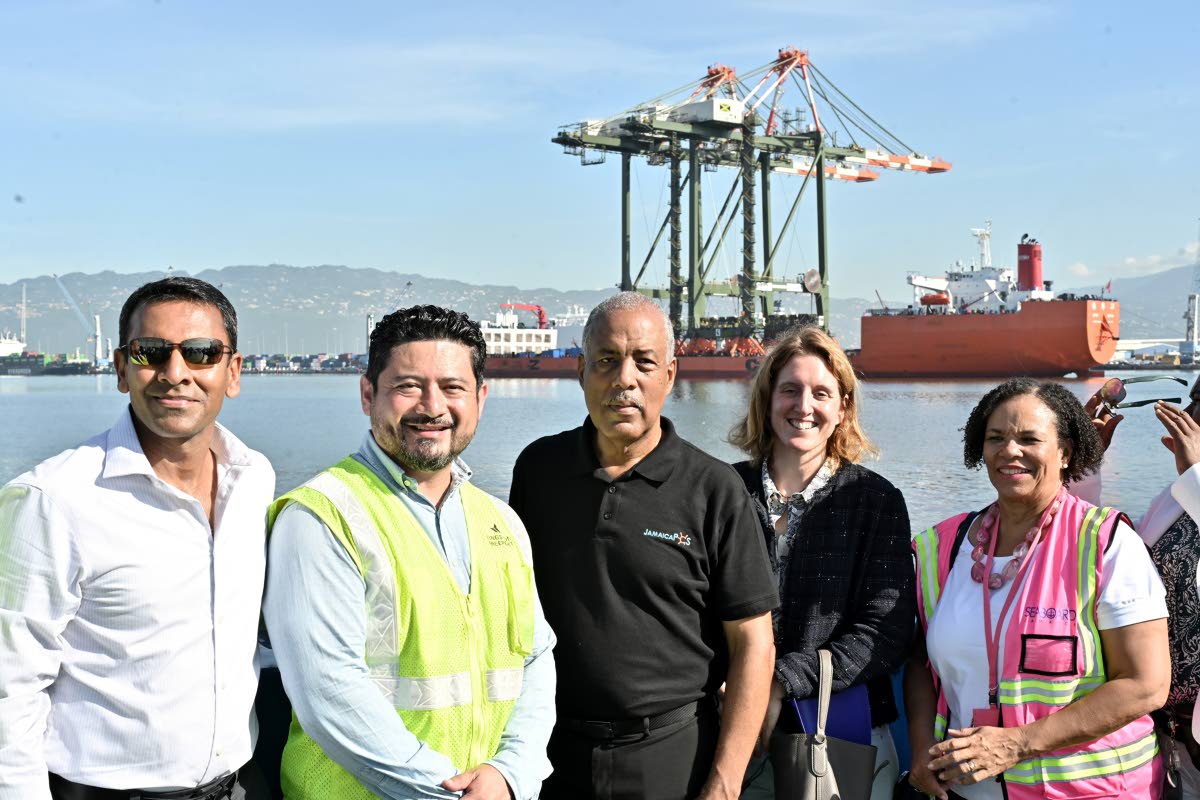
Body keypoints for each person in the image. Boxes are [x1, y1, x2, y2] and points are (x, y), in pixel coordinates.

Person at [263, 305, 555, 800]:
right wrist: (451, 794)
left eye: (452, 387)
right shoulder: (321, 517)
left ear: (481, 397)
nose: (431, 406)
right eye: (408, 386)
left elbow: (534, 660)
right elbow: (329, 694)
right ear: (367, 394)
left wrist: (511, 775)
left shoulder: (500, 523)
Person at [0, 277, 275, 800]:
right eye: (152, 352)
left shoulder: (254, 479)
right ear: (122, 369)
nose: (176, 375)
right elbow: (9, 687)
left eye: (200, 354)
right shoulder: (54, 499)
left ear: (233, 372)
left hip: (237, 787)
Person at [509, 292, 778, 800]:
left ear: (670, 375)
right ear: (582, 371)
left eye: (643, 362)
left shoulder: (715, 491)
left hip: (672, 757)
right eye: (607, 361)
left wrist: (723, 783)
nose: (624, 379)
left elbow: (754, 645)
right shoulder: (538, 471)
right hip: (549, 755)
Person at [905, 378, 1170, 800]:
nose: (1010, 451)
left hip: (1090, 791)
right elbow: (921, 658)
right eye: (996, 438)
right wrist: (920, 748)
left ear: (1065, 452)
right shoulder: (941, 544)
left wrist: (1016, 743)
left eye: (1029, 439)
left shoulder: (1105, 543)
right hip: (963, 792)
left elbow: (1146, 684)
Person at [728, 326, 914, 800]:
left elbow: (884, 633)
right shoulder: (724, 492)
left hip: (839, 738)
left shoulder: (875, 501)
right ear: (768, 399)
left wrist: (779, 683)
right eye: (789, 390)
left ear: (844, 407)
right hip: (727, 731)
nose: (803, 406)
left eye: (821, 393)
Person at [1078, 377, 1200, 798]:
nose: (1191, 416)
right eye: (1193, 402)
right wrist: (1083, 463)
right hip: (1169, 731)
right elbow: (1094, 553)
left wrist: (1197, 475)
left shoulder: (1191, 486)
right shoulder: (1175, 497)